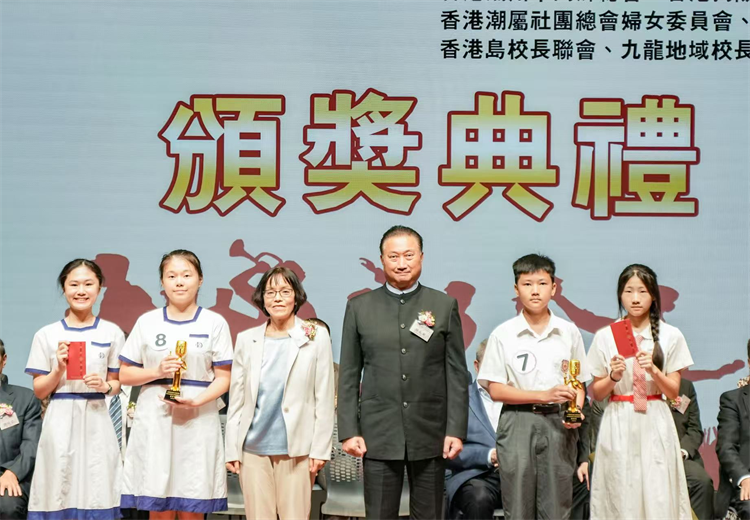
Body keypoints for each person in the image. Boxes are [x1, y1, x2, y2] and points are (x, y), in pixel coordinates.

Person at [338, 225, 468, 520]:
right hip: (378, 433)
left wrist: (455, 430)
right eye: (393, 256)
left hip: (431, 432)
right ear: (381, 260)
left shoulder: (443, 305)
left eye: (408, 255)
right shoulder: (359, 307)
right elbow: (349, 375)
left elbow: (457, 374)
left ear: (421, 257)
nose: (401, 263)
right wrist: (349, 431)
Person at [119, 249, 232, 519]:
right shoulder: (147, 322)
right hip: (156, 416)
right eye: (171, 276)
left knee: (192, 501)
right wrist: (156, 371)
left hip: (198, 417)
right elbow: (124, 374)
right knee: (159, 503)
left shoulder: (214, 322)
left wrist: (196, 401)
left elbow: (224, 378)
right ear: (162, 282)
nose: (179, 282)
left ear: (200, 280)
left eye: (186, 275)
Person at [477, 254, 590, 520]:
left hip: (559, 425)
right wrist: (544, 395)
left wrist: (575, 411)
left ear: (554, 288)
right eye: (527, 284)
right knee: (518, 507)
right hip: (518, 422)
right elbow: (495, 390)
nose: (535, 291)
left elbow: (578, 383)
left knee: (557, 508)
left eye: (542, 283)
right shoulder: (503, 334)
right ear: (516, 289)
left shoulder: (569, 332)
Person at [224, 266, 334, 520]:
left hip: (297, 449)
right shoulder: (247, 339)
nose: (277, 298)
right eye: (270, 292)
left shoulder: (315, 336)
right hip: (252, 449)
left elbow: (324, 398)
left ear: (296, 297)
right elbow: (237, 401)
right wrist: (232, 449)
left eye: (285, 291)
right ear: (262, 299)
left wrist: (320, 449)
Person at [587, 264, 693, 519]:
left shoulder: (670, 335)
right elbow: (597, 393)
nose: (635, 298)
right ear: (620, 295)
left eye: (642, 291)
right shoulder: (606, 336)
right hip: (619, 419)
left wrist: (655, 371)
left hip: (655, 418)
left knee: (658, 491)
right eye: (628, 291)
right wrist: (613, 377)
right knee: (620, 491)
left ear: (653, 295)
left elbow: (673, 391)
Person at [25, 259, 125, 519]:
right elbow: (39, 391)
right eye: (74, 284)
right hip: (60, 416)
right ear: (64, 288)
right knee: (58, 482)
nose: (81, 291)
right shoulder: (46, 334)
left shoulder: (112, 332)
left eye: (88, 284)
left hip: (97, 417)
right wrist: (58, 369)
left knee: (97, 483)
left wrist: (105, 386)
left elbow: (117, 383)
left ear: (100, 288)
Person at [445, 339, 503, 520]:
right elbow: (448, 450)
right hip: (474, 476)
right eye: (491, 364)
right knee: (479, 498)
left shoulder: (518, 399)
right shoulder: (459, 400)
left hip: (517, 475)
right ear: (477, 366)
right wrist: (489, 455)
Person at [0, 339, 42, 520]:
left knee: (8, 507)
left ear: (4, 360)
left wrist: (13, 472)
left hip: (8, 472)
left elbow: (31, 445)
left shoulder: (25, 398)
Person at [668, 378, 715, 520]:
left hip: (680, 456)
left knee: (702, 481)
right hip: (649, 456)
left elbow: (695, 429)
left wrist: (682, 452)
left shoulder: (685, 386)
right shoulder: (640, 385)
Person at [716, 339, 750, 520]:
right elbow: (726, 447)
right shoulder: (732, 400)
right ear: (749, 362)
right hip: (746, 484)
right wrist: (744, 478)